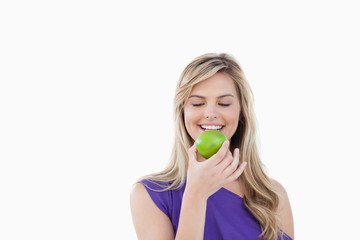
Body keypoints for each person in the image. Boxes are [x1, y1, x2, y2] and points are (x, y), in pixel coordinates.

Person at [130, 53, 294, 240]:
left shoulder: (273, 195)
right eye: (197, 103)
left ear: (241, 112)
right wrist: (195, 195)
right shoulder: (150, 195)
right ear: (183, 112)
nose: (210, 113)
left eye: (224, 103)